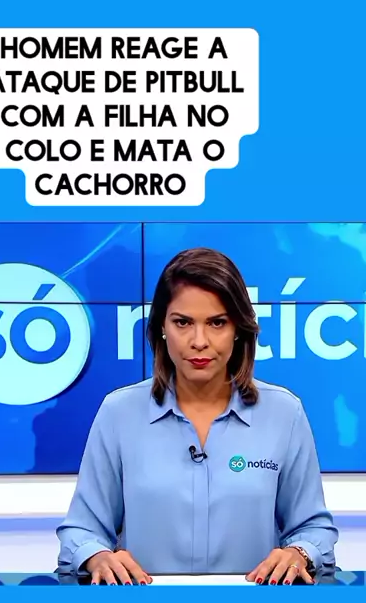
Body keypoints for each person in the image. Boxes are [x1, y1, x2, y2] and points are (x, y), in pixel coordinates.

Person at [56, 248, 338, 585]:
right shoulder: (118, 413)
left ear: (238, 328)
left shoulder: (284, 413)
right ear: (162, 327)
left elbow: (313, 528)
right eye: (183, 323)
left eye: (217, 323)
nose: (199, 341)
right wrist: (97, 555)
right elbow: (83, 530)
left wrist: (300, 552)